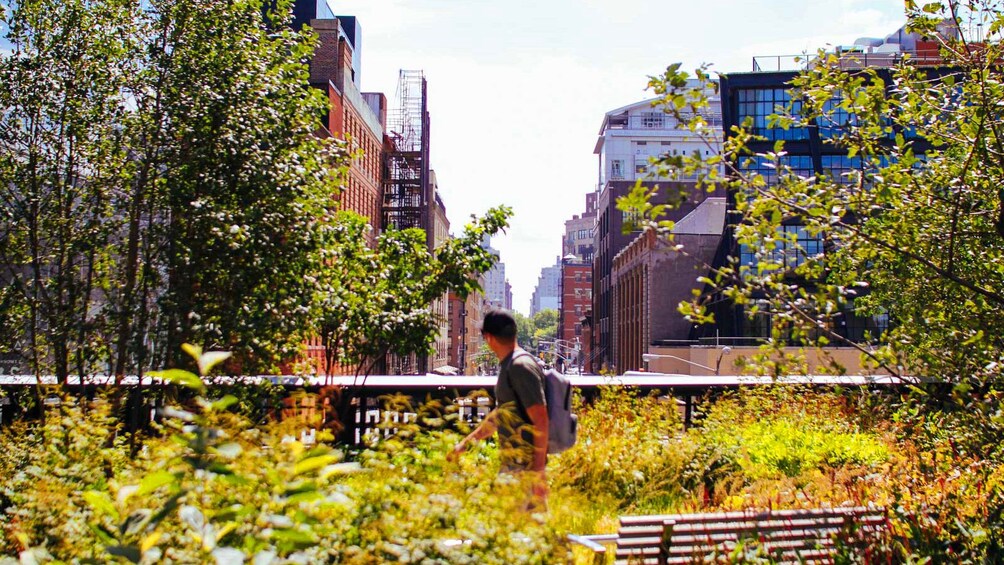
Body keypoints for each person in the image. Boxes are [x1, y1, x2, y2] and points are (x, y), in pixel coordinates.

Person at [449, 308, 549, 508]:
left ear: (489, 338)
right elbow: (500, 415)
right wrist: (467, 443)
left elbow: (541, 419)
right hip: (515, 464)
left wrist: (538, 471)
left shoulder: (520, 367)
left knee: (515, 528)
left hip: (524, 466)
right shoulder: (511, 365)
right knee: (522, 530)